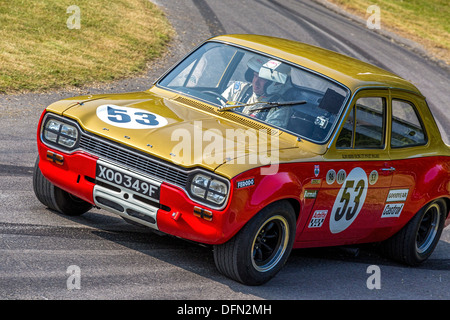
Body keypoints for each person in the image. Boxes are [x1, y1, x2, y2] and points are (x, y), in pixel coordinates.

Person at [221, 56, 292, 128]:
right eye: (255, 76)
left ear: (275, 83)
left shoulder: (279, 108)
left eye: (262, 79)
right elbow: (218, 108)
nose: (255, 82)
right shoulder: (237, 89)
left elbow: (267, 137)